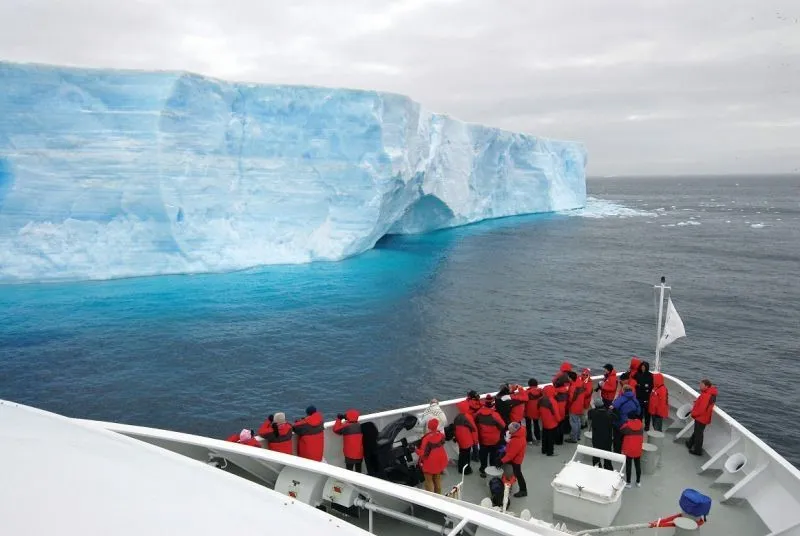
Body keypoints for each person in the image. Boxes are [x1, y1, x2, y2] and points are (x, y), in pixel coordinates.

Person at [475, 395, 506, 477]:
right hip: (494, 440)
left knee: (483, 456)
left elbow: (475, 420)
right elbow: (503, 426)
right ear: (493, 404)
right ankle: (491, 470)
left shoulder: (479, 413)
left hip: (483, 439)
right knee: (493, 456)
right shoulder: (495, 415)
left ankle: (483, 469)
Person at [416, 418, 448, 494]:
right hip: (440, 460)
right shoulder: (441, 435)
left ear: (428, 427)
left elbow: (422, 453)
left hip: (430, 463)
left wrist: (414, 450)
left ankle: (431, 497)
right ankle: (439, 495)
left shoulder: (426, 439)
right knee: (437, 479)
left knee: (428, 481)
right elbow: (442, 443)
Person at [686, 379, 718, 456]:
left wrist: (693, 414)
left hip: (701, 417)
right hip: (704, 417)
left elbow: (701, 409)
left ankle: (697, 451)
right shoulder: (708, 393)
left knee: (698, 434)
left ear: (706, 386)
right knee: (697, 432)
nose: (699, 386)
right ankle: (690, 443)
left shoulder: (706, 395)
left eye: (701, 385)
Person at [498, 422, 527, 497]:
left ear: (514, 430)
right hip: (517, 456)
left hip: (516, 460)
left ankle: (523, 490)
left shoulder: (516, 440)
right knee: (516, 472)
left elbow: (510, 455)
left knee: (518, 473)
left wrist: (501, 461)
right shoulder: (520, 433)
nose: (509, 431)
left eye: (510, 430)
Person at [611, 385, 641, 453]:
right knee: (626, 438)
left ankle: (617, 452)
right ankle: (625, 451)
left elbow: (614, 407)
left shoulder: (620, 399)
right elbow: (638, 412)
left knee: (617, 438)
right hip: (630, 424)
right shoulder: (636, 400)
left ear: (623, 391)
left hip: (620, 423)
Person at [453, 400, 479, 475]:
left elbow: (455, 429)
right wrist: (475, 441)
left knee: (462, 454)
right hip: (467, 440)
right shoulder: (468, 417)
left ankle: (460, 468)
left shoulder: (457, 417)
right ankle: (466, 470)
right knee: (467, 456)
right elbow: (474, 430)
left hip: (460, 440)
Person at [620, 411, 644, 488]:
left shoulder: (626, 426)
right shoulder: (641, 425)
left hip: (629, 449)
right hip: (637, 448)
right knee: (637, 465)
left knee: (628, 465)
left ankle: (628, 482)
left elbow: (621, 430)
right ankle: (638, 481)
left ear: (629, 418)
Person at [587, 400, 613, 469]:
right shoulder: (609, 414)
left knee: (596, 454)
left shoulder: (592, 412)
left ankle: (596, 467)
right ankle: (608, 467)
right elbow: (616, 418)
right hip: (607, 438)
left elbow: (589, 416)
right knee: (607, 454)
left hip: (596, 438)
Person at [539, 385, 561, 456]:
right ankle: (550, 452)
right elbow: (556, 412)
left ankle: (544, 450)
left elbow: (538, 410)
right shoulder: (553, 401)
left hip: (544, 421)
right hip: (552, 422)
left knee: (544, 436)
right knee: (551, 438)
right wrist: (559, 420)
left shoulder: (541, 399)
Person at [634, 361, 654, 431]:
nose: (642, 368)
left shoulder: (650, 376)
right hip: (639, 396)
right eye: (642, 367)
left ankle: (647, 426)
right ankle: (639, 424)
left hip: (647, 397)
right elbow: (633, 380)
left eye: (644, 367)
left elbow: (652, 386)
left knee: (647, 413)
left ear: (646, 368)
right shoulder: (637, 374)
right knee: (639, 412)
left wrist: (644, 386)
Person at [567, 373, 587, 443]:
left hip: (574, 407)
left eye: (568, 377)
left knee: (574, 423)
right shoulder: (581, 383)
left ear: (571, 378)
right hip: (580, 406)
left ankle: (573, 438)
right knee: (578, 421)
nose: (568, 379)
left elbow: (571, 399)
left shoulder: (573, 387)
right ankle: (578, 436)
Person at [553, 376, 570, 445]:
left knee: (556, 427)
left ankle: (556, 440)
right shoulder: (566, 391)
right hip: (563, 410)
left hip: (557, 411)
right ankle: (560, 441)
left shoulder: (555, 392)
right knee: (561, 426)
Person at [525, 378, 542, 444]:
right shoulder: (540, 392)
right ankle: (538, 438)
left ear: (529, 384)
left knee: (528, 426)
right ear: (537, 384)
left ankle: (529, 440)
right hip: (537, 411)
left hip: (528, 411)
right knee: (536, 424)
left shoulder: (527, 392)